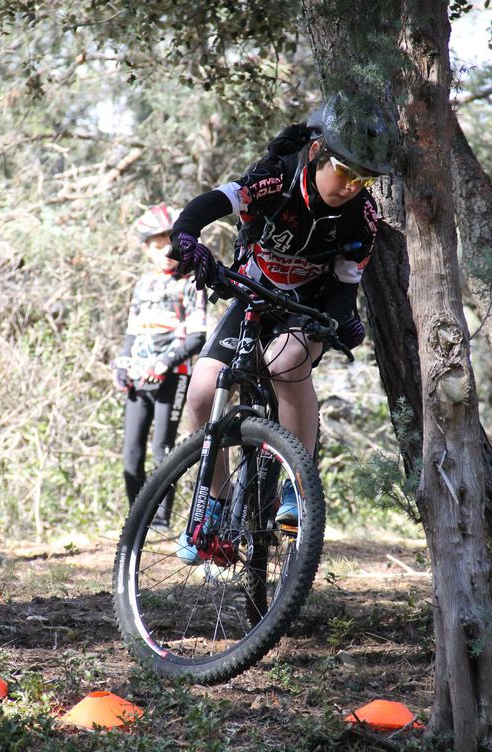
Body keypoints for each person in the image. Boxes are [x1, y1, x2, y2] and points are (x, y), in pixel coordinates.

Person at [169, 93, 399, 560]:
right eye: (347, 171)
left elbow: (345, 286)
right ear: (317, 153)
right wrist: (184, 234)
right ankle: (213, 502)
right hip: (254, 292)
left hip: (307, 306)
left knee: (285, 361)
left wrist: (342, 320)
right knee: (201, 390)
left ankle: (297, 484)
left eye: (366, 178)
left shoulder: (364, 216)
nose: (354, 185)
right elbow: (215, 200)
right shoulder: (277, 175)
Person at [112, 203, 207, 526]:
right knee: (131, 453)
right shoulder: (143, 285)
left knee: (161, 450)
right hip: (139, 378)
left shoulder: (191, 282)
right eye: (157, 247)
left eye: (171, 244)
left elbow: (197, 336)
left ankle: (160, 520)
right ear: (146, 250)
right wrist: (122, 366)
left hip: (173, 376)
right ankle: (136, 519)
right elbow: (132, 331)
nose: (166, 252)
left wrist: (165, 363)